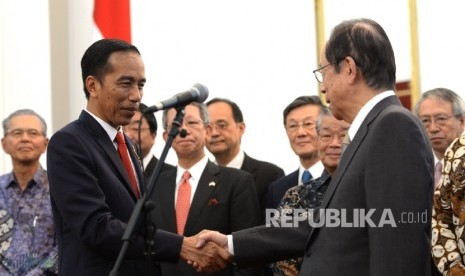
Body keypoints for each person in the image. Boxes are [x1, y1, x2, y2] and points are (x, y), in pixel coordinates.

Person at [196, 18, 434, 275]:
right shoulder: (370, 131)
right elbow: (331, 223)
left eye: (324, 72)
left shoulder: (393, 126)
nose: (322, 87)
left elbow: (398, 250)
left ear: (350, 69)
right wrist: (232, 243)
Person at [46, 38, 227, 276]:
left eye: (140, 85)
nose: (136, 96)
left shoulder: (129, 146)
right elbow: (96, 227)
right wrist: (182, 246)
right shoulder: (69, 143)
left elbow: (139, 223)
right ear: (92, 85)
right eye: (125, 84)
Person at [152, 102, 261, 275]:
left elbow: (249, 251)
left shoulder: (237, 181)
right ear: (166, 137)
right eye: (176, 124)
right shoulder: (152, 185)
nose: (184, 130)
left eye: (192, 123)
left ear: (208, 130)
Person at [269, 107, 349, 275]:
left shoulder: (370, 189)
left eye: (343, 136)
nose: (334, 143)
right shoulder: (295, 196)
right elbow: (278, 252)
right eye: (326, 136)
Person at [205, 98, 285, 219]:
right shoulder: (201, 177)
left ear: (241, 128)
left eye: (222, 125)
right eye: (208, 127)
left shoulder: (270, 175)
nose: (214, 133)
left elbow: (275, 229)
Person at [0, 109, 57, 275]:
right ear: (4, 144)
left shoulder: (59, 189)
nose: (25, 139)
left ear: (45, 143)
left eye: (33, 133)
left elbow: (68, 241)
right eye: (17, 133)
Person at [266, 96, 325, 209]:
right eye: (293, 126)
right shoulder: (277, 188)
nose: (300, 133)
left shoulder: (340, 179)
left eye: (308, 124)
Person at [414, 88, 465, 187]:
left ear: (462, 122)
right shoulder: (415, 167)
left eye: (441, 119)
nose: (433, 128)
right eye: (425, 121)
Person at [123, 102, 175, 183]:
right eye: (122, 130)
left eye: (136, 128)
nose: (127, 135)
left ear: (153, 136)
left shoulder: (171, 175)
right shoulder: (111, 172)